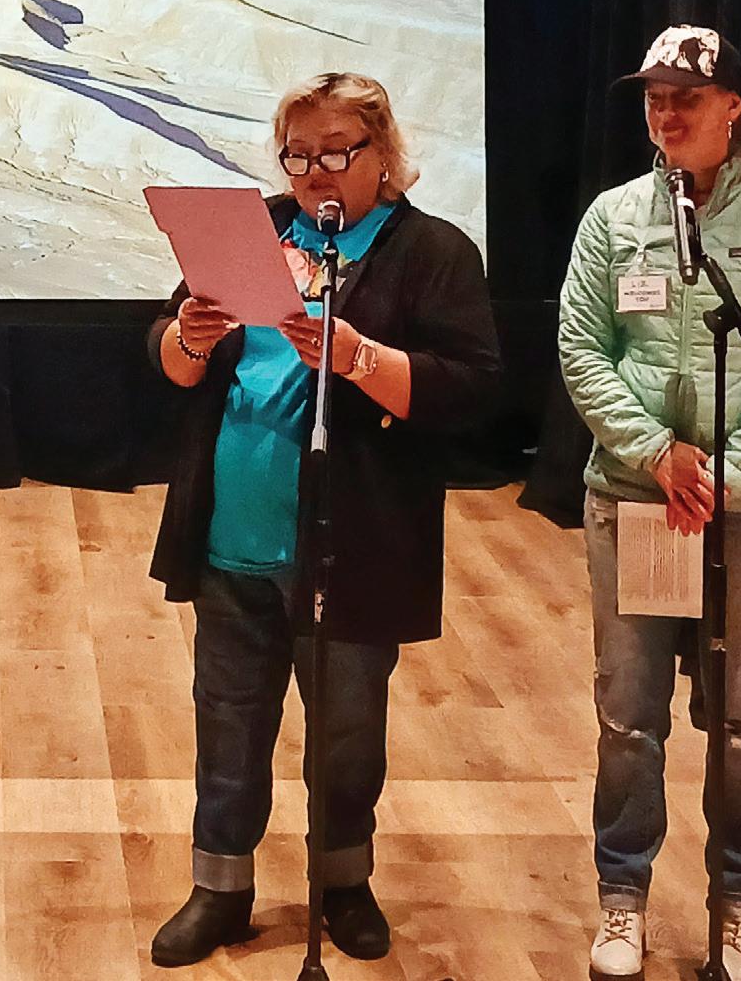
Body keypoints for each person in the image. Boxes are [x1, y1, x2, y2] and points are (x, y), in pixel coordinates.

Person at [147, 71, 500, 968]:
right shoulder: (254, 231)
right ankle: (220, 888)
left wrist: (358, 358)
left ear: (384, 154)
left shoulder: (431, 252)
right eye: (298, 155)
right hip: (232, 534)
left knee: (346, 734)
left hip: (352, 543)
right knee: (227, 722)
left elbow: (470, 391)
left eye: (336, 153)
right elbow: (171, 360)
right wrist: (189, 336)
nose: (314, 174)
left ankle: (342, 883)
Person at [557, 25, 741, 981]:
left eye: (686, 97)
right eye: (655, 98)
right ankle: (623, 899)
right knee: (630, 715)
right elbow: (583, 350)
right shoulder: (613, 217)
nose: (667, 113)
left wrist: (723, 475)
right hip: (637, 499)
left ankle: (736, 904)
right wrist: (655, 453)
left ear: (733, 108)